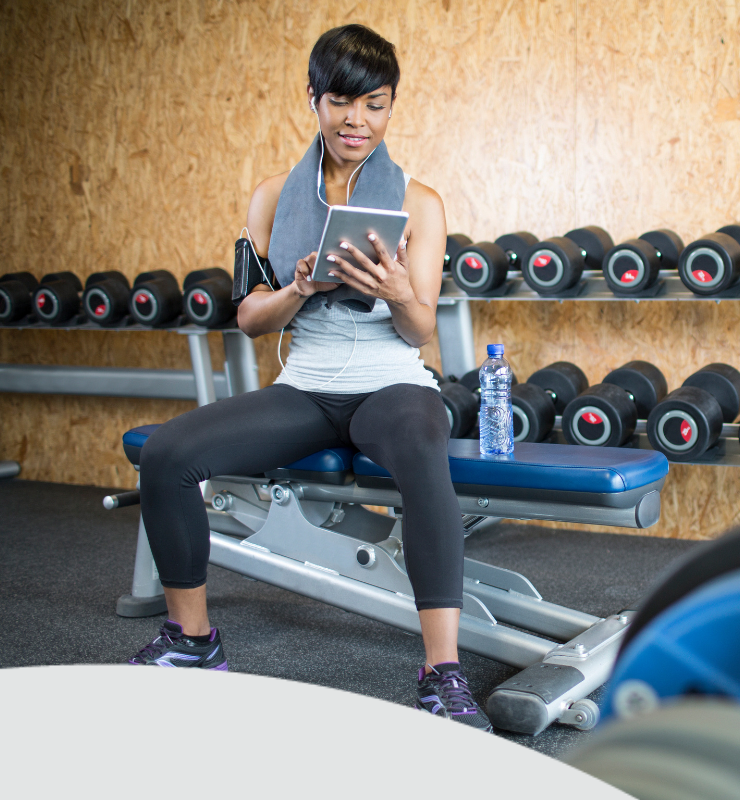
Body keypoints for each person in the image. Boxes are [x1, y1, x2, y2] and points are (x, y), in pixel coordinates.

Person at [128, 24, 491, 733]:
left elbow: (420, 331)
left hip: (392, 386)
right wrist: (296, 288)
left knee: (423, 451)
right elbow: (251, 320)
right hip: (306, 387)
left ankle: (442, 671)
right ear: (314, 100)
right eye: (343, 102)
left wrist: (394, 290)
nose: (358, 120)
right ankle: (194, 642)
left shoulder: (420, 203)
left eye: (376, 105)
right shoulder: (271, 197)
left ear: (391, 110)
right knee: (169, 455)